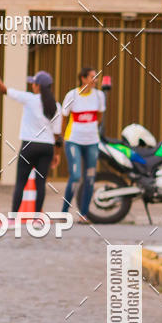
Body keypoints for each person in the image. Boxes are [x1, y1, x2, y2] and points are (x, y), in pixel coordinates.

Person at [0, 61, 62, 213]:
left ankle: (13, 218)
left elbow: (4, 90)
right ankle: (38, 218)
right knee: (40, 184)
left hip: (29, 145)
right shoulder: (56, 106)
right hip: (47, 147)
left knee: (20, 183)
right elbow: (57, 134)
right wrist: (56, 154)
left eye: (33, 83)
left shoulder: (29, 99)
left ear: (38, 86)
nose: (32, 85)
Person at [61, 66, 106, 222]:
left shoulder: (99, 96)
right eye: (92, 77)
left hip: (92, 141)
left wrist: (91, 129)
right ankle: (64, 211)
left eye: (96, 77)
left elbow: (99, 116)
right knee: (75, 175)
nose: (95, 80)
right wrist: (61, 138)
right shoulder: (72, 95)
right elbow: (64, 117)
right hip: (73, 140)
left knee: (90, 177)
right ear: (83, 78)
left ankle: (83, 214)